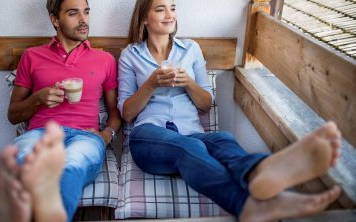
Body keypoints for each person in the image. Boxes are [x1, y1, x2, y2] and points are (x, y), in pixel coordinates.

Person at [117, 0, 342, 221]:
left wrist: (189, 83)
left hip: (191, 131)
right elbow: (127, 113)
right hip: (148, 136)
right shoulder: (131, 55)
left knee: (223, 139)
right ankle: (245, 205)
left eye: (173, 8)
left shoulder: (191, 49)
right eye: (160, 9)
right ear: (145, 18)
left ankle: (259, 172)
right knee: (191, 146)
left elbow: (205, 103)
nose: (170, 15)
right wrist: (151, 83)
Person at [6, 0, 121, 220]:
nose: (83, 20)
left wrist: (106, 136)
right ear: (55, 20)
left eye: (86, 12)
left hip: (86, 137)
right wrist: (37, 100)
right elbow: (12, 115)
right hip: (39, 136)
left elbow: (115, 115)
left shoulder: (104, 60)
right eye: (73, 13)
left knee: (70, 168)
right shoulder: (31, 57)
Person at [0, 121, 67, 222]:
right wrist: (38, 103)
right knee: (27, 157)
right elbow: (12, 116)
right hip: (37, 131)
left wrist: (98, 134)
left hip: (85, 134)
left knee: (73, 164)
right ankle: (50, 213)